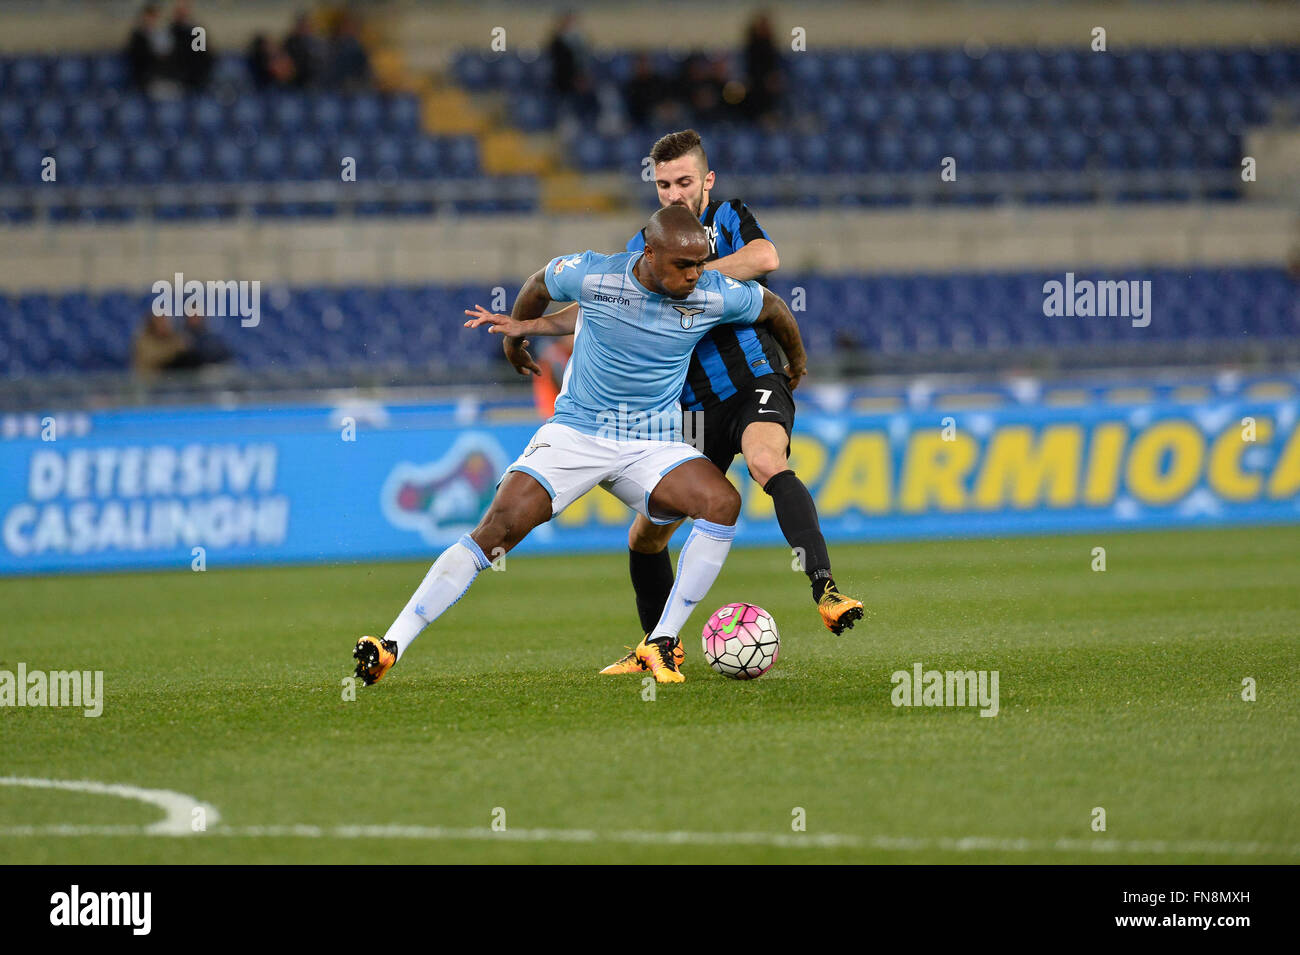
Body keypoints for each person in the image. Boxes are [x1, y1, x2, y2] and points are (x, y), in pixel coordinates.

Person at [354, 206, 807, 687]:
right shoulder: (597, 273)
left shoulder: (713, 293)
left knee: (722, 502)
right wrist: (516, 340)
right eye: (683, 265)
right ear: (648, 254)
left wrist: (794, 365)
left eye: (700, 264)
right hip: (576, 433)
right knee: (498, 529)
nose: (696, 275)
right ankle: (390, 644)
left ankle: (661, 642)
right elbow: (538, 284)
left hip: (651, 443)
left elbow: (774, 308)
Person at [465, 129, 863, 675]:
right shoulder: (642, 248)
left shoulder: (726, 216)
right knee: (647, 536)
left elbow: (766, 256)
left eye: (684, 182)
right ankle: (657, 645)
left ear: (707, 181)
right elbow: (598, 310)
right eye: (663, 184)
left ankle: (827, 591)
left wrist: (691, 275)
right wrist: (532, 326)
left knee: (768, 461)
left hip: (752, 383)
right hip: (690, 406)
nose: (674, 194)